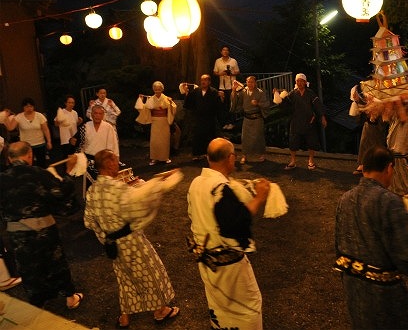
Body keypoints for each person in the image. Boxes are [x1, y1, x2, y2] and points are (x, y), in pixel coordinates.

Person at [335, 146, 408, 329]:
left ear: (364, 168)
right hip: (383, 297)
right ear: (389, 168)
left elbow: (340, 247)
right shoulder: (389, 201)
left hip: (354, 289)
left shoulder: (345, 198)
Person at [84, 149, 183, 328]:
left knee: (125, 279)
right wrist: (158, 184)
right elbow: (138, 205)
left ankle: (125, 317)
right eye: (115, 161)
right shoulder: (117, 188)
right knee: (151, 274)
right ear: (109, 164)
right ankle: (160, 310)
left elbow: (89, 221)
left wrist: (105, 237)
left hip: (112, 243)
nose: (118, 164)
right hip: (131, 241)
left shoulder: (92, 191)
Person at [187, 138, 270, 329]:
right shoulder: (221, 188)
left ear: (208, 158)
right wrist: (259, 198)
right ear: (231, 158)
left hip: (206, 259)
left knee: (219, 306)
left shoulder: (196, 182)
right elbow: (234, 224)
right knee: (247, 308)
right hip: (227, 264)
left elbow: (193, 214)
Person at [0, 141, 83, 308]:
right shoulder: (38, 173)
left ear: (9, 158)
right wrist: (68, 172)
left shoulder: (2, 179)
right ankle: (69, 298)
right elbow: (60, 193)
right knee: (56, 263)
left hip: (18, 234)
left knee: (29, 269)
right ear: (30, 155)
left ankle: (38, 303)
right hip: (45, 229)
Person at [274, 73, 327, 170]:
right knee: (293, 141)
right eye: (298, 81)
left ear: (305, 82)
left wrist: (322, 117)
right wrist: (278, 96)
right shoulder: (292, 93)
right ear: (296, 82)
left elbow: (318, 105)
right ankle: (293, 161)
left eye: (302, 81)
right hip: (296, 121)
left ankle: (311, 161)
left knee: (311, 141)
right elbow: (285, 105)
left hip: (309, 121)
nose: (299, 83)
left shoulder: (311, 93)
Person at [182, 74, 224, 161]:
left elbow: (218, 107)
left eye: (205, 80)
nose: (203, 82)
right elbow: (189, 103)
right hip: (198, 119)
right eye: (202, 80)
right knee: (197, 136)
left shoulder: (214, 92)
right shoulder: (196, 91)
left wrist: (222, 99)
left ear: (209, 82)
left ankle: (209, 154)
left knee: (210, 137)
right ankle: (197, 154)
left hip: (210, 119)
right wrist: (186, 92)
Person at [386, 99, 408, 207]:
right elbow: (385, 116)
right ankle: (396, 207)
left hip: (401, 157)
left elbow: (404, 118)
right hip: (392, 156)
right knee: (392, 185)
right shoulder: (395, 117)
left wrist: (397, 101)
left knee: (407, 186)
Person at [230, 76, 269, 164]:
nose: (250, 84)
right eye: (248, 82)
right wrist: (233, 90)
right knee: (245, 138)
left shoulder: (260, 92)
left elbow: (266, 104)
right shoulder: (243, 92)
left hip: (257, 118)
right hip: (247, 118)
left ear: (255, 83)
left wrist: (258, 103)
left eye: (252, 82)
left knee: (259, 137)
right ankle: (244, 155)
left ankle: (261, 154)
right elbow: (236, 102)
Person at [4, 98, 52, 167]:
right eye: (27, 106)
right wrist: (6, 117)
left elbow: (46, 130)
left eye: (31, 106)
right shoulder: (19, 117)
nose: (29, 108)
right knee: (27, 165)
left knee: (42, 164)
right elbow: (10, 128)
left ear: (33, 107)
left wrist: (49, 141)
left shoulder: (39, 116)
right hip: (25, 146)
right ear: (23, 107)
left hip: (40, 144)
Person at [137, 81, 176, 165]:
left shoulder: (166, 98)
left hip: (164, 120)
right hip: (155, 121)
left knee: (165, 140)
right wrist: (141, 100)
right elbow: (145, 108)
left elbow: (173, 107)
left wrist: (170, 102)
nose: (157, 91)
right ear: (153, 89)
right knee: (154, 140)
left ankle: (165, 157)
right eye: (156, 89)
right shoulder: (151, 99)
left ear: (162, 89)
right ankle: (154, 158)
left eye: (159, 89)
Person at [350, 86, 386, 175]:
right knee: (364, 143)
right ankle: (363, 164)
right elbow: (364, 107)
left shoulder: (381, 93)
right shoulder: (368, 91)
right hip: (369, 124)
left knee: (376, 144)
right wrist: (358, 101)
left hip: (377, 124)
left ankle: (375, 166)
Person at [213, 45, 240, 131]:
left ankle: (231, 122)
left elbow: (238, 71)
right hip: (222, 86)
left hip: (232, 86)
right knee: (223, 105)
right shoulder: (218, 61)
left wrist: (231, 73)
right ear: (221, 52)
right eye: (223, 50)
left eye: (227, 50)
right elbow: (215, 72)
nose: (225, 51)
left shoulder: (233, 61)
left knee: (231, 104)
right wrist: (221, 73)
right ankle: (224, 123)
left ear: (229, 52)